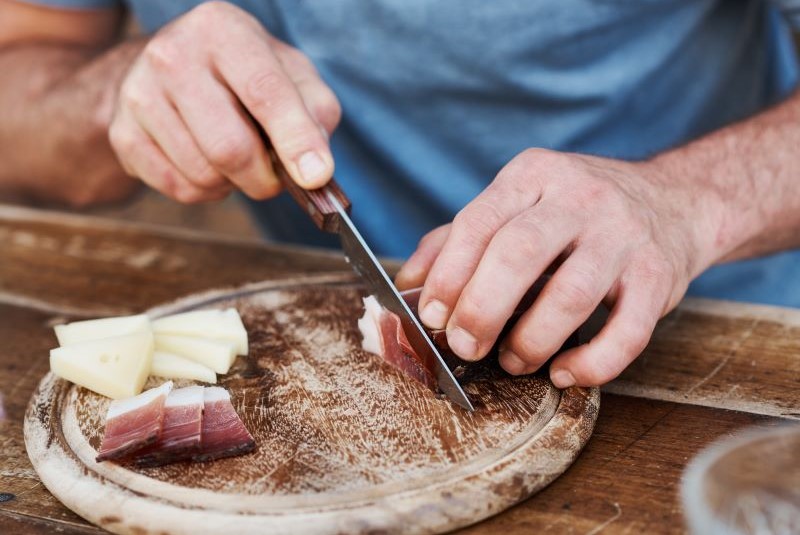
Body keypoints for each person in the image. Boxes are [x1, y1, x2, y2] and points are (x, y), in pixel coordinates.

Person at [3, 0, 800, 389]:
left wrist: (682, 203)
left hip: (720, 344)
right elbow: (21, 79)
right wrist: (114, 96)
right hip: (307, 337)